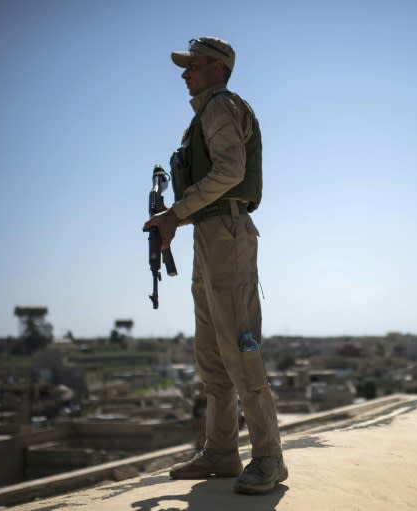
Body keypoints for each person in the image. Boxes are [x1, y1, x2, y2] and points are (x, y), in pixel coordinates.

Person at [142, 36, 286, 495]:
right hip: (209, 233)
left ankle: (269, 457)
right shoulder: (202, 116)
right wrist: (179, 219)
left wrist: (174, 214)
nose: (186, 73)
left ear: (219, 68)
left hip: (226, 233)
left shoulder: (222, 106)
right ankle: (222, 452)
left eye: (195, 65)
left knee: (240, 347)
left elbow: (229, 172)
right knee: (211, 352)